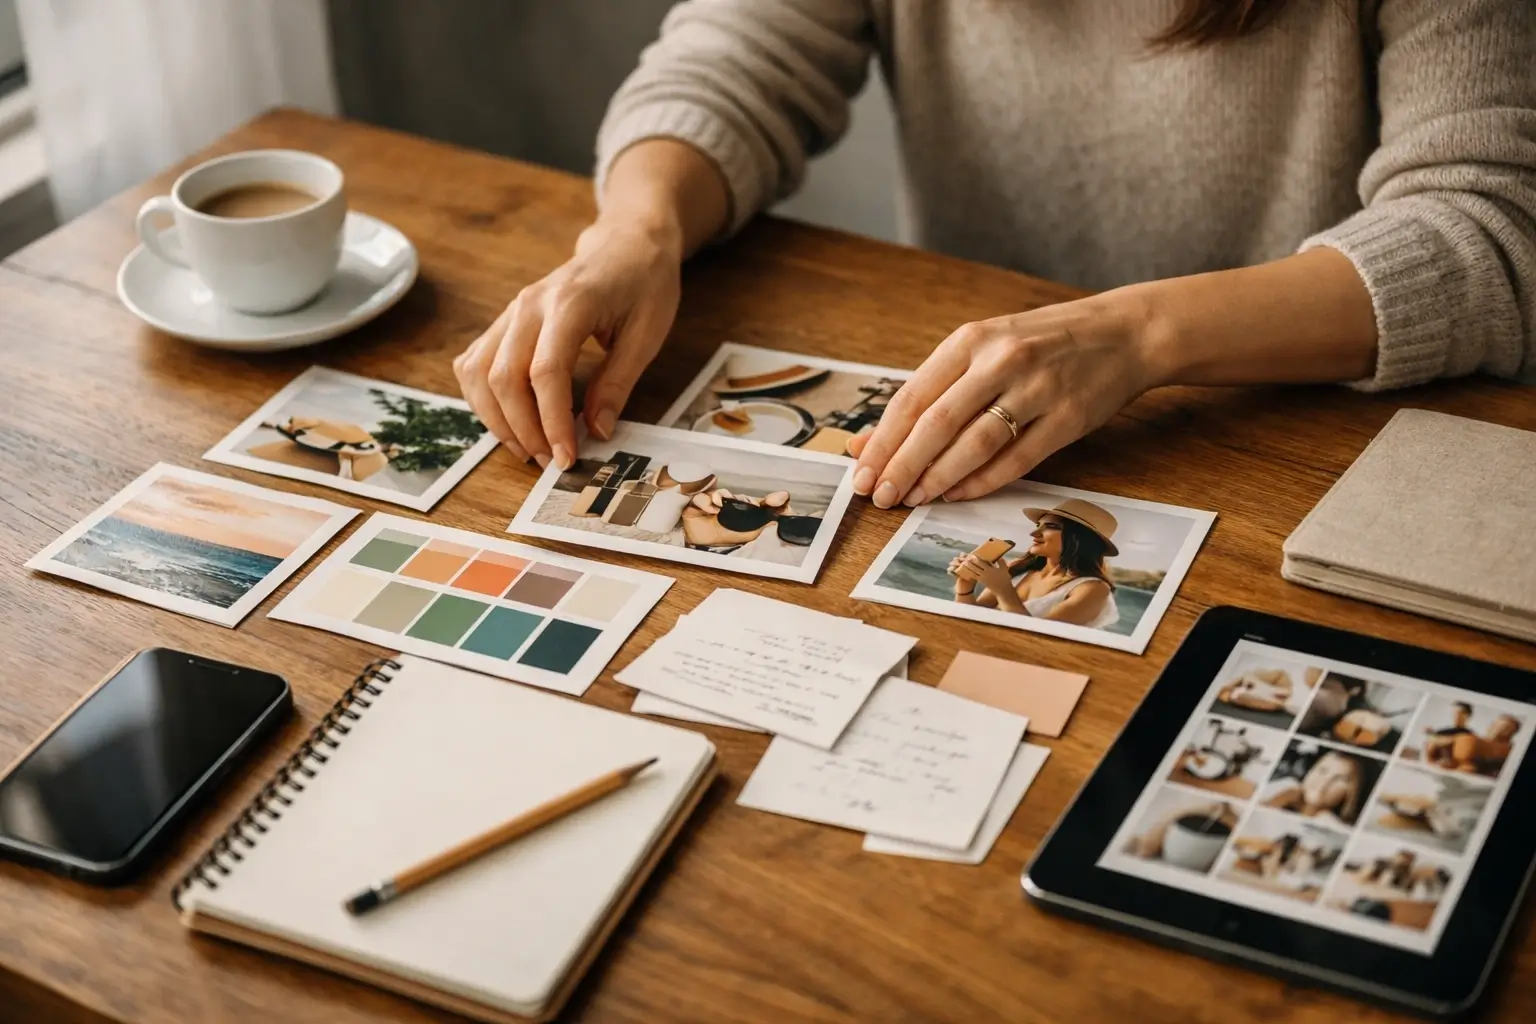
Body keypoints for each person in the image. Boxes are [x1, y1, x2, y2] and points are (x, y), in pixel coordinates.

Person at [454, 0, 1536, 510]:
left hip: (1315, 454)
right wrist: (634, 233)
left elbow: (1488, 229)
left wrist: (1138, 334)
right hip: (972, 447)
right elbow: (734, 55)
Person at [950, 498, 1120, 628]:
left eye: (1051, 526)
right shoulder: (1018, 568)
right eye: (1039, 525)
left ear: (1081, 540)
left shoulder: (1093, 589)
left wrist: (1002, 589)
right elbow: (969, 621)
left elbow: (1035, 638)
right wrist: (966, 583)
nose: (1034, 533)